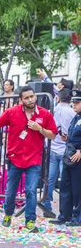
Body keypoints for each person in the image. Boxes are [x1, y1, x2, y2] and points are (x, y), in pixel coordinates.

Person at [0, 86, 57, 233]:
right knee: (10, 191)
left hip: (34, 159)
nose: (30, 100)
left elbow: (53, 135)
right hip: (15, 158)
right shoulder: (12, 112)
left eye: (32, 96)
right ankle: (8, 214)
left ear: (35, 97)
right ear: (21, 100)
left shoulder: (44, 114)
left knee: (30, 190)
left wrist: (40, 129)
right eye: (27, 98)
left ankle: (30, 220)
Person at [49, 89, 81, 226]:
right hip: (69, 155)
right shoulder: (76, 117)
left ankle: (77, 217)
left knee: (78, 188)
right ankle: (64, 215)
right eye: (73, 102)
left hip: (78, 157)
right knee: (65, 186)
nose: (74, 105)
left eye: (77, 102)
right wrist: (66, 138)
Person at [43, 89, 75, 213]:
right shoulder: (72, 112)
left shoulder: (52, 110)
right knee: (65, 180)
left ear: (58, 98)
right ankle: (65, 208)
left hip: (52, 147)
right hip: (66, 149)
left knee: (50, 179)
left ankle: (46, 204)